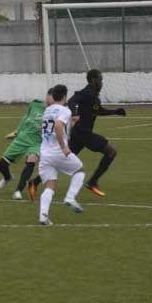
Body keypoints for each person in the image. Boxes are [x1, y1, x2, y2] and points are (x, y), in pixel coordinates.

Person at [67, 69, 126, 197]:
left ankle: (35, 181)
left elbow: (98, 111)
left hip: (79, 134)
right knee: (111, 151)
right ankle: (92, 181)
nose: (101, 82)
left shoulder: (93, 94)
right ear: (93, 80)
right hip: (84, 133)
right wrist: (75, 113)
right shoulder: (87, 92)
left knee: (63, 159)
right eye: (100, 79)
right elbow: (72, 101)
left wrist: (115, 112)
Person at [36, 84, 86, 226]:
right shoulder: (65, 110)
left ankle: (43, 216)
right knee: (80, 170)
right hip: (58, 152)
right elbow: (58, 125)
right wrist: (64, 147)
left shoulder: (47, 110)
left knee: (50, 186)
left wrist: (70, 123)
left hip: (45, 154)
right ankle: (70, 197)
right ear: (65, 97)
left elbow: (55, 126)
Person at [0, 90, 52, 200]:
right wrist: (16, 132)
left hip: (36, 143)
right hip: (22, 139)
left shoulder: (54, 112)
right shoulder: (35, 104)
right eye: (50, 96)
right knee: (2, 165)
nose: (52, 99)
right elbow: (25, 117)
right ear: (47, 96)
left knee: (31, 161)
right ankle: (7, 178)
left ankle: (18, 191)